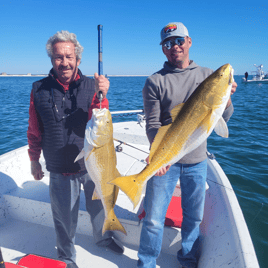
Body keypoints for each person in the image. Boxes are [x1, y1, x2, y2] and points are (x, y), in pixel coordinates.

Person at [137, 22, 237, 268]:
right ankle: (146, 263)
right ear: (163, 49)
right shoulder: (154, 81)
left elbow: (223, 119)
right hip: (166, 163)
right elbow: (152, 124)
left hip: (197, 161)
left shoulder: (207, 75)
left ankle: (189, 259)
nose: (175, 47)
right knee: (153, 219)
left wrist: (227, 99)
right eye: (168, 43)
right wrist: (157, 156)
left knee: (194, 218)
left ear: (189, 42)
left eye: (179, 40)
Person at [27, 30, 124, 268]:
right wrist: (33, 160)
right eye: (59, 57)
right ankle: (66, 257)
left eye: (69, 57)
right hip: (59, 167)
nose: (65, 62)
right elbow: (34, 130)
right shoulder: (38, 89)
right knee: (64, 218)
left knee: (99, 205)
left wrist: (103, 95)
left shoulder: (92, 86)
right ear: (52, 60)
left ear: (78, 59)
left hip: (91, 163)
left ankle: (103, 238)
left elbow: (100, 119)